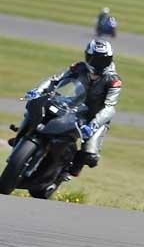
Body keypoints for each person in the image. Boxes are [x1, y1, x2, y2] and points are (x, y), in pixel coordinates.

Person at [20, 39, 122, 177]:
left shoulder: (113, 80)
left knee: (90, 154)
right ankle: (22, 136)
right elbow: (55, 79)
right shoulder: (79, 67)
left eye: (104, 59)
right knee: (39, 110)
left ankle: (67, 171)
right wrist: (38, 90)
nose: (99, 63)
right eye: (96, 59)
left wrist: (93, 125)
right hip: (74, 105)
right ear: (88, 56)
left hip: (96, 116)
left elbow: (110, 108)